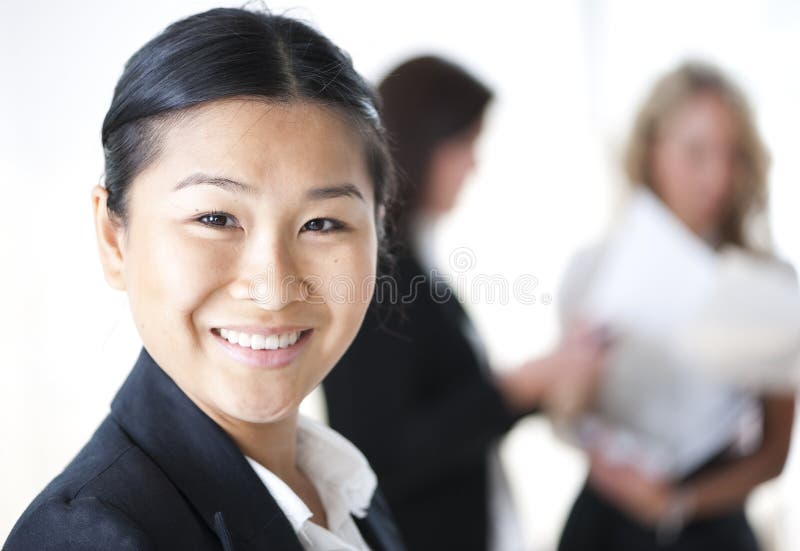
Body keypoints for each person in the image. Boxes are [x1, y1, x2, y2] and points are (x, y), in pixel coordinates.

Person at [5, 7, 406, 550]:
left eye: (323, 223)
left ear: (377, 231)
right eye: (215, 219)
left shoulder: (346, 490)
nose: (272, 288)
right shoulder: (90, 537)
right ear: (112, 237)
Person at [323, 55, 608, 551]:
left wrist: (544, 380)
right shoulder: (378, 280)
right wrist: (516, 389)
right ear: (420, 143)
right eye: (464, 144)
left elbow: (454, 410)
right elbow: (380, 452)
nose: (474, 164)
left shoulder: (418, 268)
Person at [556, 61, 796, 551]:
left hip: (710, 526)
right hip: (603, 526)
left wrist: (677, 504)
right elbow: (565, 417)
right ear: (651, 151)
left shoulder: (768, 284)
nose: (717, 177)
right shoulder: (593, 269)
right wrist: (576, 388)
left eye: (733, 157)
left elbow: (774, 452)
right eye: (695, 152)